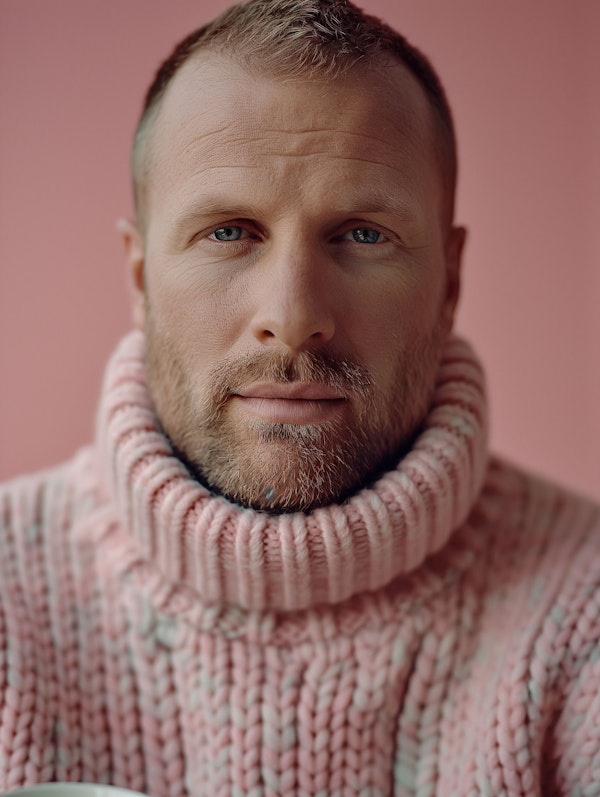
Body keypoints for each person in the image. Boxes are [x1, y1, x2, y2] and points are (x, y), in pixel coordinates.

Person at [0, 0, 598, 794]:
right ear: (140, 279)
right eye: (229, 232)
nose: (292, 317)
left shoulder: (585, 604)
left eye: (360, 233)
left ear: (449, 281)